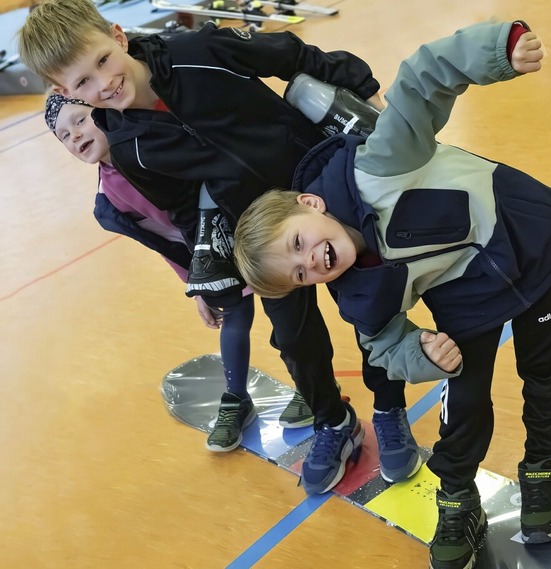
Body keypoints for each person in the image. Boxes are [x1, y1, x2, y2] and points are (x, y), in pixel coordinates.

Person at [18, 0, 422, 495]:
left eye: (103, 61)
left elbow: (290, 53)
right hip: (260, 235)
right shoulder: (130, 148)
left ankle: (389, 410)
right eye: (81, 84)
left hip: (325, 191)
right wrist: (202, 272)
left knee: (371, 311)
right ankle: (333, 422)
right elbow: (187, 209)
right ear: (64, 91)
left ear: (119, 38)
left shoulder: (197, 49)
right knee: (295, 340)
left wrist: (361, 85)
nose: (102, 85)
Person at [232, 21, 551, 569]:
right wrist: (421, 353)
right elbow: (385, 345)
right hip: (465, 296)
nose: (311, 262)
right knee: (463, 404)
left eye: (298, 243)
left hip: (531, 245)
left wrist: (499, 49)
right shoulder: (358, 294)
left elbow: (421, 80)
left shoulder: (380, 165)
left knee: (547, 377)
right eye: (300, 274)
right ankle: (457, 497)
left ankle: (542, 471)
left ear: (312, 204)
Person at [44, 92, 315, 453]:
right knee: (234, 314)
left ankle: (311, 387)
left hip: (245, 225)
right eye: (63, 135)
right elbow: (166, 242)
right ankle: (237, 399)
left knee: (287, 313)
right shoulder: (110, 199)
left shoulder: (152, 147)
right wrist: (195, 284)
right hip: (210, 255)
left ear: (105, 113)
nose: (75, 135)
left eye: (79, 120)